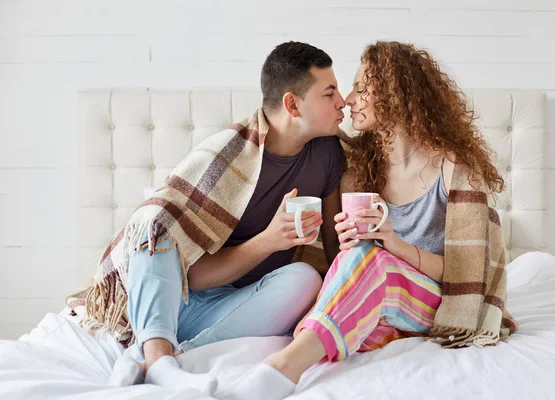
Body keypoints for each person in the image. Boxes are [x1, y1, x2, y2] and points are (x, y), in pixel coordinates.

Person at [218, 41, 517, 400]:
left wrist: (395, 247)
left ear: (396, 95)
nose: (348, 98)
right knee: (358, 259)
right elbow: (347, 259)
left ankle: (283, 368)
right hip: (377, 292)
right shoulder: (359, 169)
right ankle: (323, 340)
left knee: (376, 263)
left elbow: (467, 274)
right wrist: (347, 243)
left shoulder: (455, 171)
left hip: (437, 298)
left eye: (362, 87)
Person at [69, 41, 349, 395]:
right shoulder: (226, 159)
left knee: (305, 278)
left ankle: (163, 360)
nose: (343, 101)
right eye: (329, 93)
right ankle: (156, 351)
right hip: (175, 298)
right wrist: (269, 241)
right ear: (293, 104)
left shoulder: (327, 154)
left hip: (241, 304)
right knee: (154, 220)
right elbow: (194, 277)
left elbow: (335, 251)